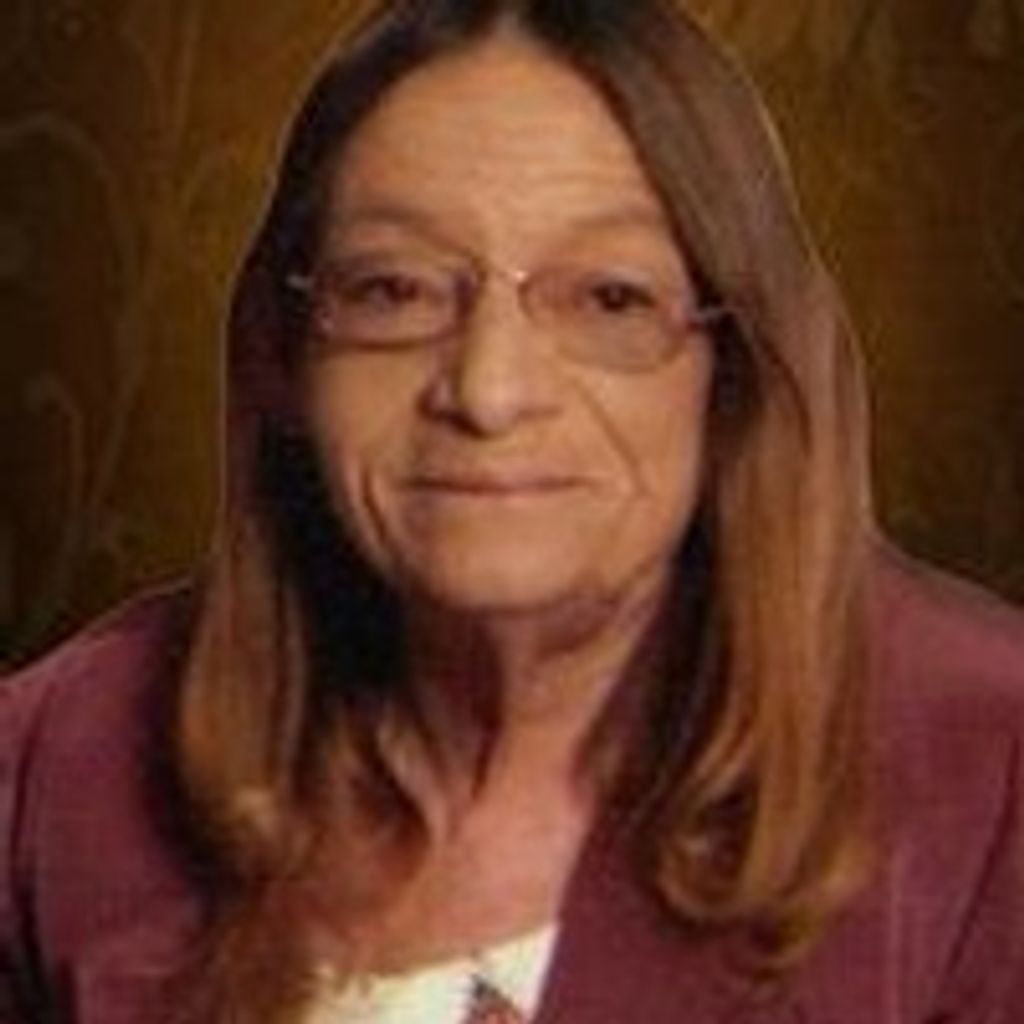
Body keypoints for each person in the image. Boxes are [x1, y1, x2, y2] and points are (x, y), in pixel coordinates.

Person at [3, 0, 1024, 1021]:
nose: (489, 392)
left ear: (736, 369)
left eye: (611, 299)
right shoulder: (59, 760)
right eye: (395, 289)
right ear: (287, 352)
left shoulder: (991, 773)